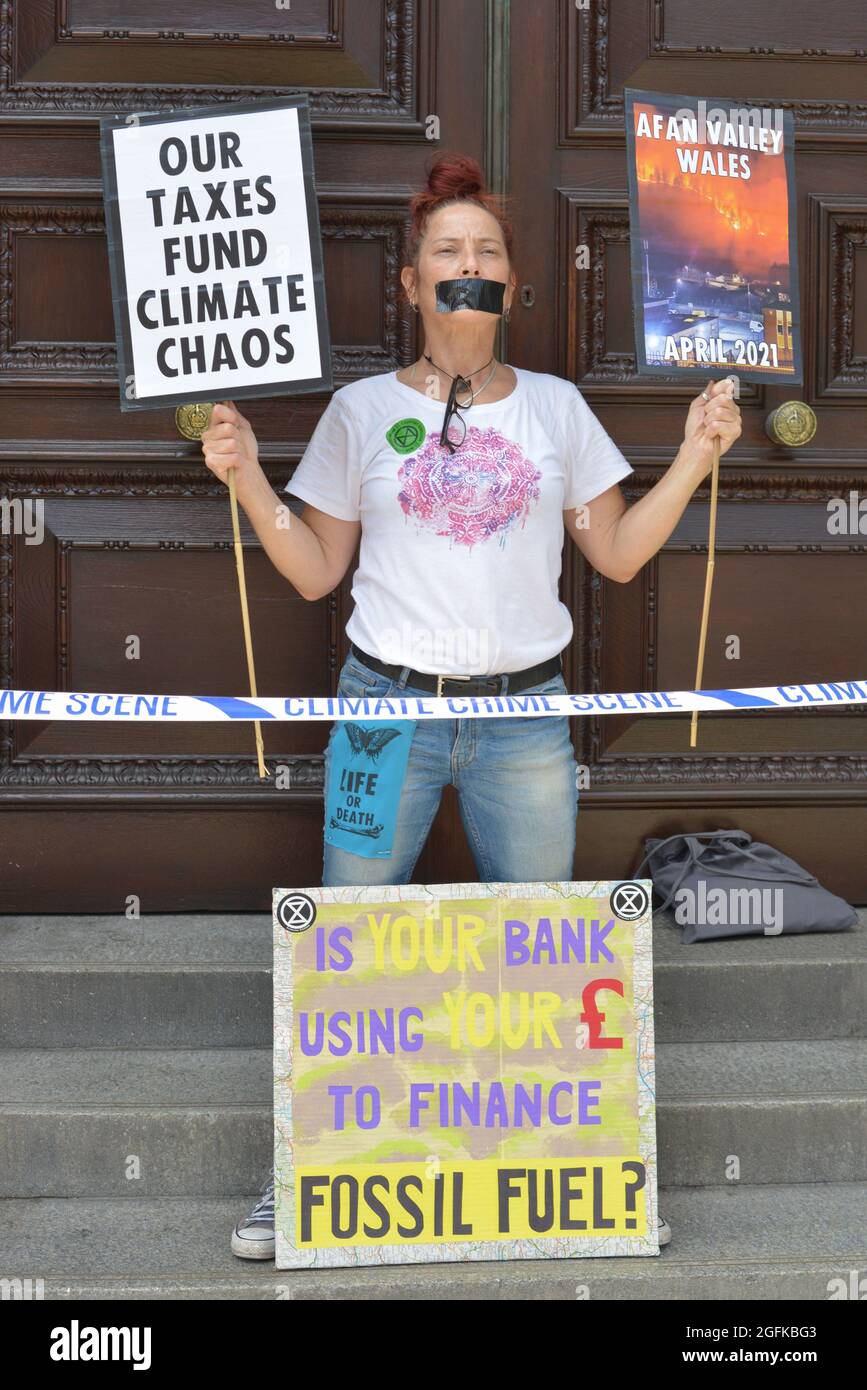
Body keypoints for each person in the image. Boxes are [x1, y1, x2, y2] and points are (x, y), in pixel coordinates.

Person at [199, 153, 741, 1261]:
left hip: (523, 724)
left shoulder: (556, 408)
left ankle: (575, 1173)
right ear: (411, 285)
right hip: (383, 714)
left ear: (509, 284)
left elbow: (621, 554)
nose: (467, 267)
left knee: (539, 955)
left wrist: (693, 457)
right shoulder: (359, 412)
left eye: (486, 252)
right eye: (446, 253)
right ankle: (300, 1179)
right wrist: (248, 476)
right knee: (348, 952)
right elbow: (312, 574)